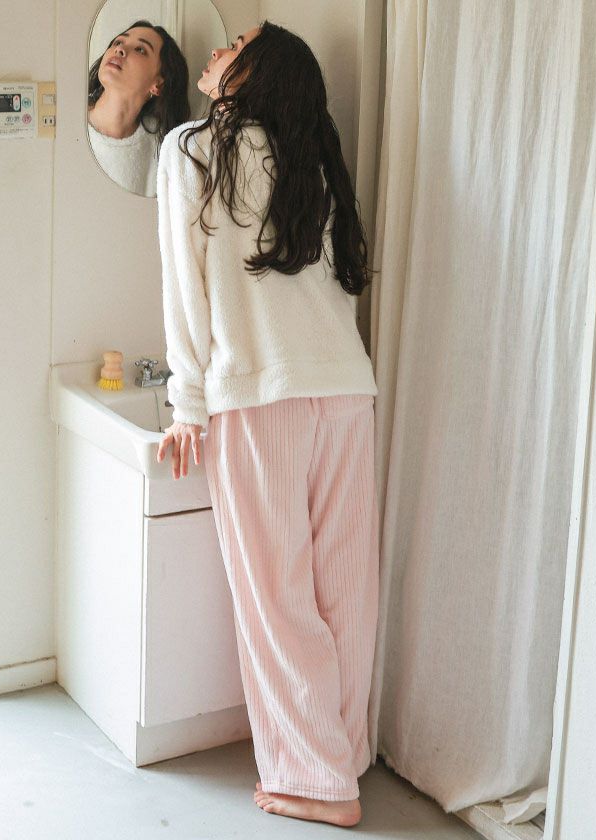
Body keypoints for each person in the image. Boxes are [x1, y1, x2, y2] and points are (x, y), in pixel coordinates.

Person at [155, 21, 379, 828]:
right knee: (345, 590)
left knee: (277, 597)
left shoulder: (192, 149)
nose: (217, 51)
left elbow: (187, 289)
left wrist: (187, 403)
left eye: (235, 45)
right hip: (347, 391)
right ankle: (342, 755)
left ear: (257, 71)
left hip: (260, 395)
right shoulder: (313, 154)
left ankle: (318, 781)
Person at [87, 20, 190, 195]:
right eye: (118, 42)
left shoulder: (163, 147)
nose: (120, 49)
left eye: (140, 49)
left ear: (158, 84)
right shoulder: (66, 114)